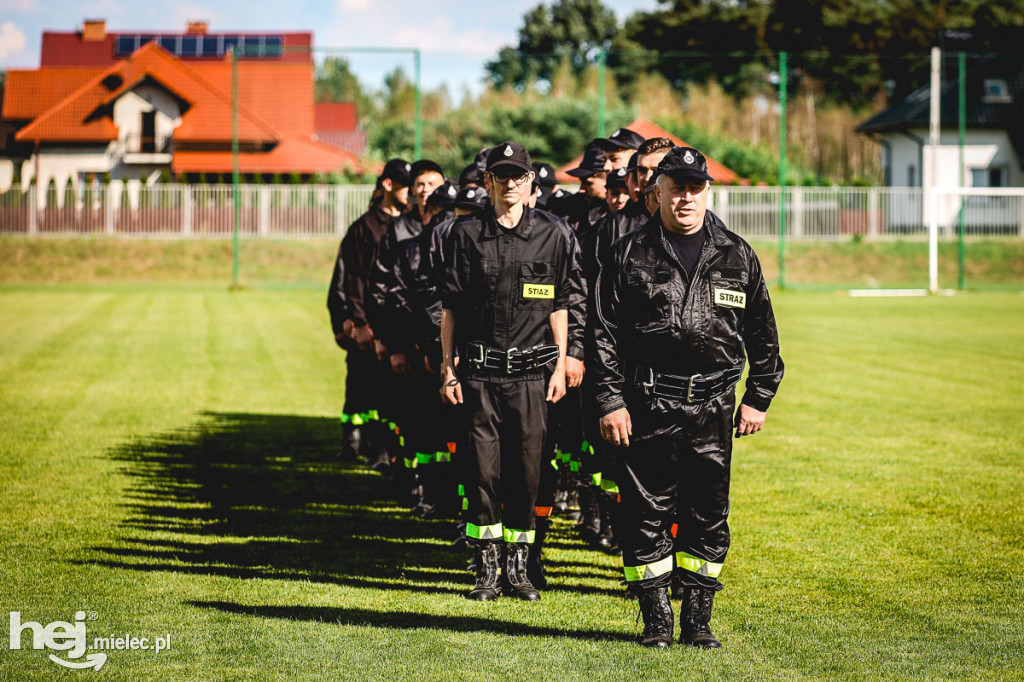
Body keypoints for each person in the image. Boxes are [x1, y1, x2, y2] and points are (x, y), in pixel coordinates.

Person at [591, 146, 784, 649]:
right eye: (675, 187)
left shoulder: (737, 254)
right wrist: (611, 400)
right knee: (645, 511)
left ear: (706, 192)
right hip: (648, 403)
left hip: (714, 406)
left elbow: (762, 333)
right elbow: (603, 334)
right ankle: (656, 619)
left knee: (708, 512)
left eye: (694, 188)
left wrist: (759, 396)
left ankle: (698, 619)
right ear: (657, 191)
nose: (685, 197)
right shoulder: (630, 252)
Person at [440, 141, 585, 602]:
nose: (509, 183)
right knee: (482, 472)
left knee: (526, 473)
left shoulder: (555, 234)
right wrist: (447, 368)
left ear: (531, 184)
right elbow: (450, 309)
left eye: (517, 176)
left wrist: (562, 363)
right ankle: (486, 569)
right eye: (500, 175)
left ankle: (519, 569)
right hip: (480, 375)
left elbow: (562, 305)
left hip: (531, 379)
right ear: (487, 182)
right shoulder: (464, 235)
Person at [328, 158, 410, 465]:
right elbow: (353, 278)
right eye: (405, 186)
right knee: (362, 385)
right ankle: (354, 444)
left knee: (391, 391)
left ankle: (384, 449)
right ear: (388, 185)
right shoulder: (364, 227)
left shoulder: (409, 223)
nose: (410, 192)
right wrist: (357, 322)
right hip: (370, 322)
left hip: (396, 321)